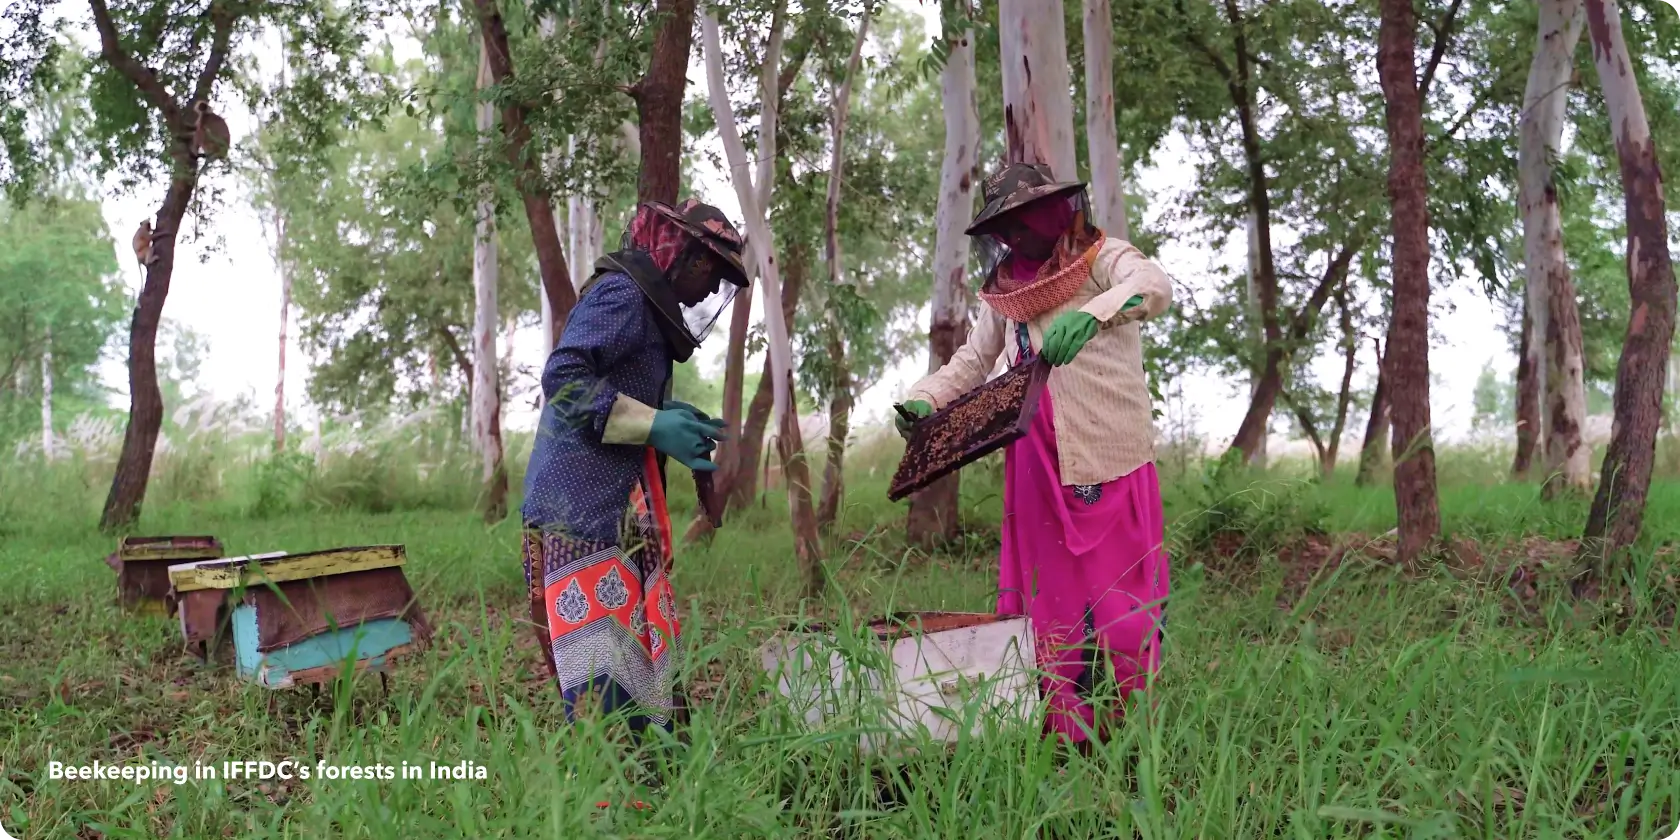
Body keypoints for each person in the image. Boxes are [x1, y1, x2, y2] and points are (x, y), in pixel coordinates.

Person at [894, 162, 1173, 747]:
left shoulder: (1102, 257)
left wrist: (1093, 313)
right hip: (1034, 465)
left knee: (1121, 595)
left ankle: (1129, 729)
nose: (1016, 235)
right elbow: (972, 363)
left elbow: (1154, 285)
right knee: (1050, 601)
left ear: (1053, 210)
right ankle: (1062, 728)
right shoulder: (1002, 292)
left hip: (1108, 453)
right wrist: (924, 400)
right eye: (1006, 225)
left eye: (1025, 219)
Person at [522, 198, 748, 731]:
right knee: (602, 686)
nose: (714, 292)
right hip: (581, 515)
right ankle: (606, 800)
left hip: (611, 514)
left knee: (638, 670)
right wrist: (653, 425)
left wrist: (665, 417)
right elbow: (565, 380)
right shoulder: (623, 294)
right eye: (713, 274)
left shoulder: (644, 306)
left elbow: (611, 390)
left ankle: (652, 786)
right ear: (687, 259)